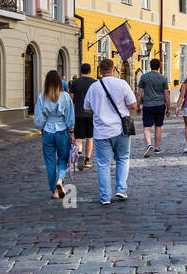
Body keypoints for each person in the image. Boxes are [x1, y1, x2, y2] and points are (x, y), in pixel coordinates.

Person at [83, 58, 139, 206]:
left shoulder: (94, 87)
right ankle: (121, 189)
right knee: (122, 158)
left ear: (100, 71)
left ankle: (105, 197)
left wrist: (99, 108)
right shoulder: (122, 84)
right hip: (120, 129)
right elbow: (133, 105)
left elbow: (86, 109)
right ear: (114, 69)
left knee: (103, 164)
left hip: (101, 131)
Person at [34, 69, 74, 199]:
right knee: (63, 159)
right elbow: (69, 117)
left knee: (49, 161)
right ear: (59, 82)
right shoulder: (65, 96)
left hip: (48, 131)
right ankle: (60, 180)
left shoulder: (42, 96)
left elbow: (39, 118)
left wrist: (42, 127)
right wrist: (71, 132)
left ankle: (54, 191)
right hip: (62, 130)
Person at [136, 58, 170, 157]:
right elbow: (166, 94)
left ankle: (149, 144)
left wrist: (138, 105)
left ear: (150, 66)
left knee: (147, 127)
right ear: (159, 66)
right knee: (158, 127)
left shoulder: (144, 77)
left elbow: (139, 93)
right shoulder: (163, 78)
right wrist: (168, 108)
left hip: (148, 105)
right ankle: (157, 147)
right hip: (160, 105)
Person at [69, 62, 96, 170]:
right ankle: (87, 160)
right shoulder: (94, 83)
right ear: (90, 71)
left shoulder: (74, 83)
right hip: (91, 114)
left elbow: (71, 98)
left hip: (78, 114)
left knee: (78, 137)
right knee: (90, 137)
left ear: (81, 71)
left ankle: (79, 153)